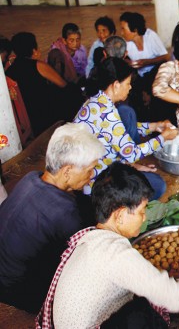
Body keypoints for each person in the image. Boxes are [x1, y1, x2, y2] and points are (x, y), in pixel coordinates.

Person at [37, 162, 179, 328]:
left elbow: (150, 285)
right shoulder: (116, 253)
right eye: (141, 211)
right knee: (142, 315)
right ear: (120, 215)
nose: (145, 217)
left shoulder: (91, 237)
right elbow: (165, 294)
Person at [0, 123, 105, 313]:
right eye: (90, 169)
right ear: (66, 171)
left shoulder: (32, 177)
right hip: (16, 292)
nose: (91, 176)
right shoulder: (65, 215)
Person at [74, 57, 178, 200]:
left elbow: (116, 130)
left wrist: (155, 126)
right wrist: (163, 138)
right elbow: (131, 154)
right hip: (97, 184)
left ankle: (129, 169)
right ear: (116, 85)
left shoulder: (95, 101)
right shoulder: (107, 112)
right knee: (157, 185)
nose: (130, 87)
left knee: (126, 112)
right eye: (128, 83)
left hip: (99, 170)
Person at [6, 32, 82, 136]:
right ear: (33, 49)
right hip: (44, 114)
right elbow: (63, 85)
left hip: (26, 115)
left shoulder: (9, 71)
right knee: (73, 91)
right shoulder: (37, 65)